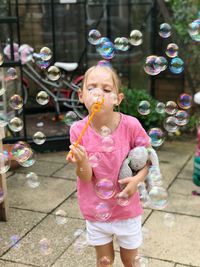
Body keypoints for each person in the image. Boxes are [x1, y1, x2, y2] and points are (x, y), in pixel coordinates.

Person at [66, 62, 151, 267]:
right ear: (81, 96)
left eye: (106, 89)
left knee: (131, 261)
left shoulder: (130, 125)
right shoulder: (78, 131)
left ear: (117, 98)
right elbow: (85, 177)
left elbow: (148, 159)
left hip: (127, 210)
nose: (98, 93)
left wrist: (137, 180)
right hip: (96, 210)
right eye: (91, 88)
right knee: (104, 262)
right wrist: (83, 161)